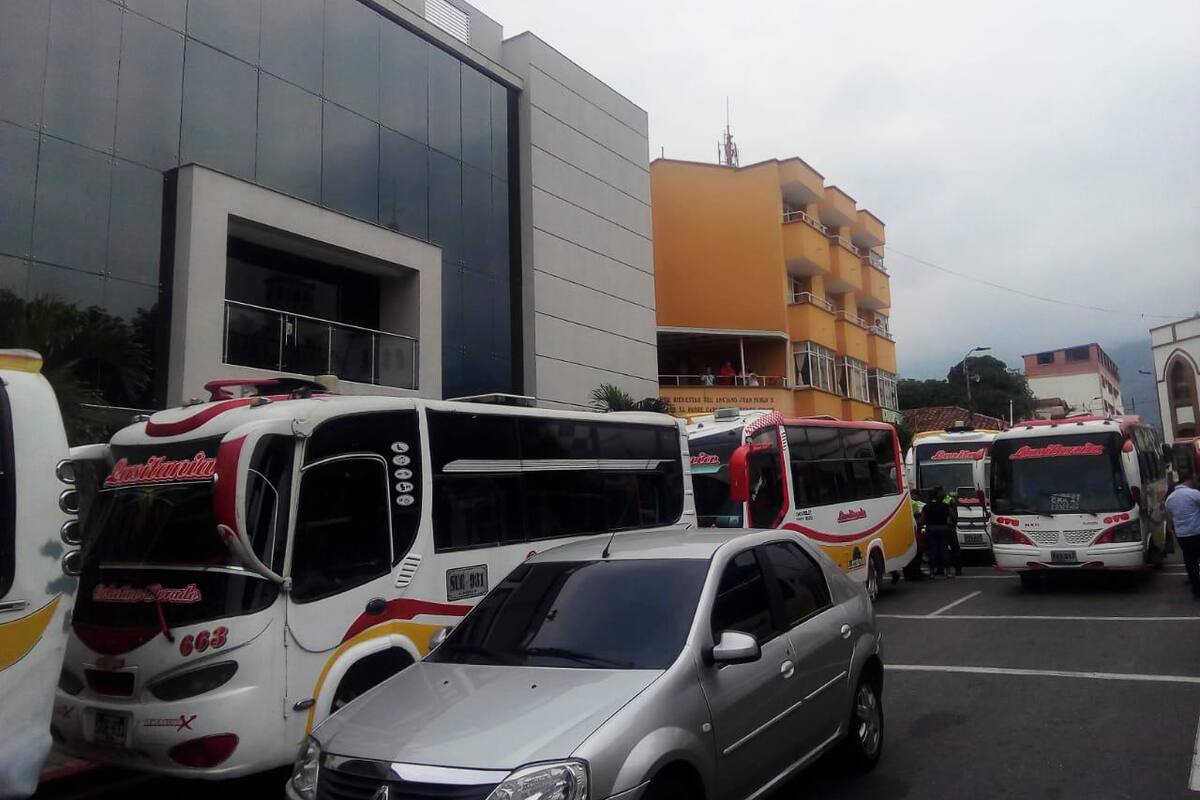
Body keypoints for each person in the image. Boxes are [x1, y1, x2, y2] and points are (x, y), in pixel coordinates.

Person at [1165, 456, 1200, 599]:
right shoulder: (1194, 494)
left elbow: (1170, 515)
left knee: (1190, 563)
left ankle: (1196, 590)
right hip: (1197, 532)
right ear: (1189, 480)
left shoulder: (1170, 498)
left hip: (1182, 536)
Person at [921, 485, 955, 578]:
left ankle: (932, 573)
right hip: (943, 528)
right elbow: (953, 515)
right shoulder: (945, 506)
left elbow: (922, 520)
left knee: (932, 551)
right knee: (944, 550)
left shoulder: (926, 507)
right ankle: (948, 572)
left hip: (931, 528)